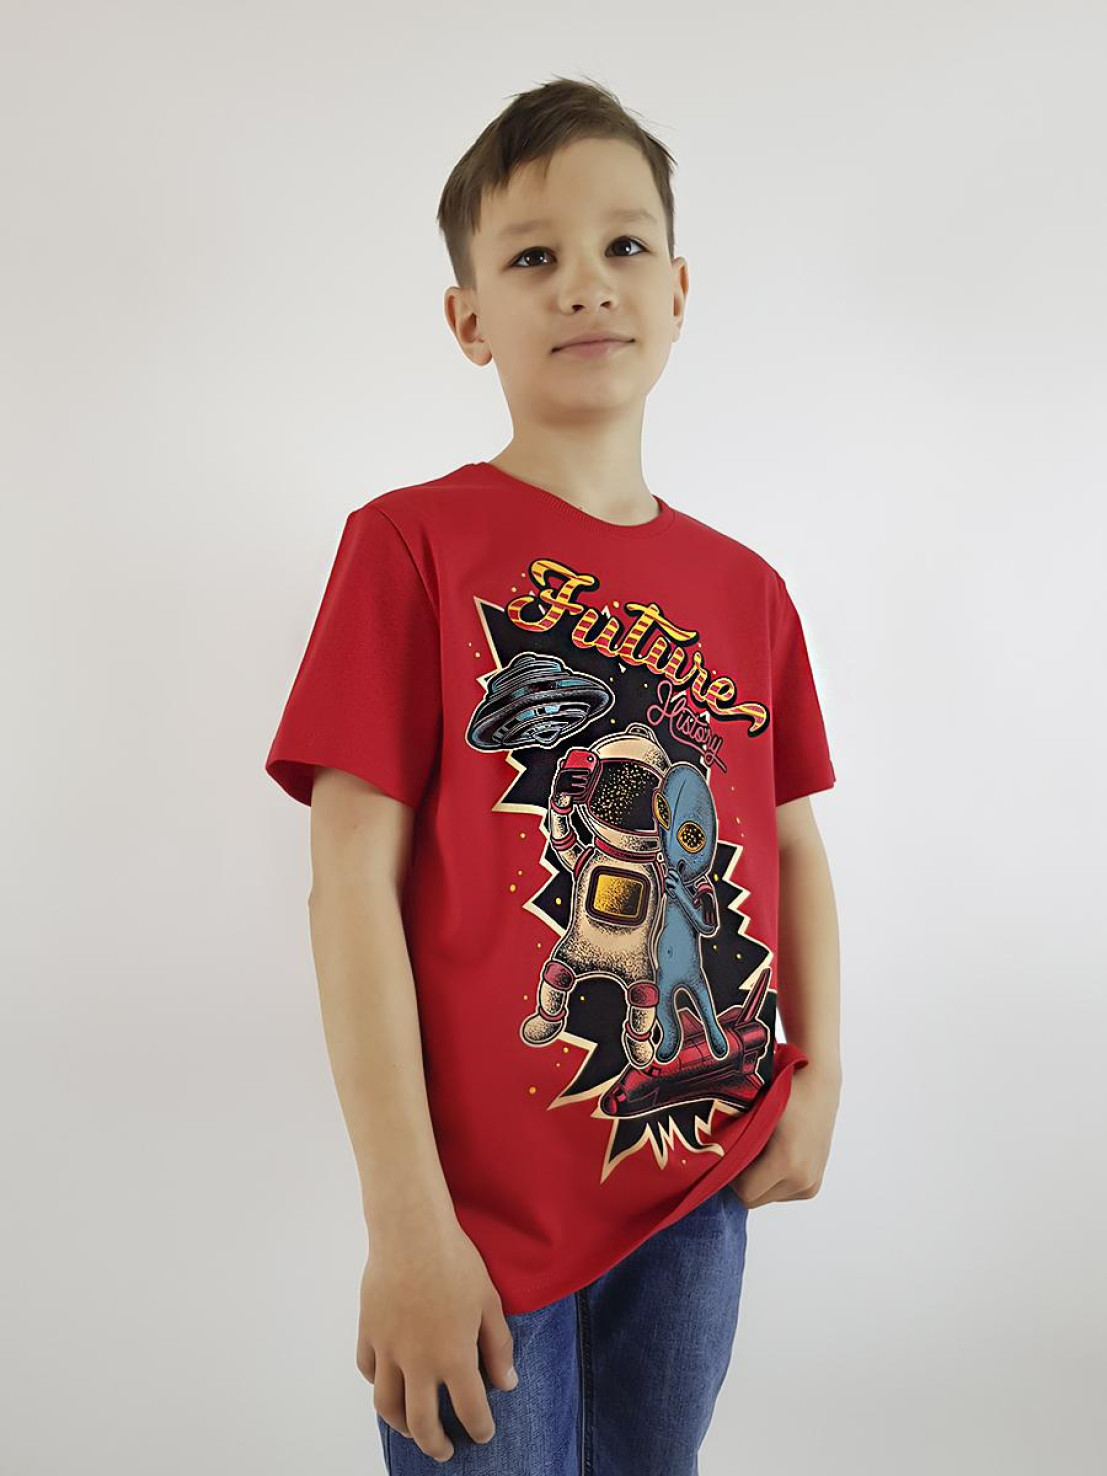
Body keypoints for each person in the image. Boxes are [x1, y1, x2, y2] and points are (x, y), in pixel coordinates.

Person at [265, 75, 842, 1474]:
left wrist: (818, 1076)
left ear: (679, 290)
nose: (586, 282)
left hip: (698, 1177)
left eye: (624, 244)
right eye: (533, 256)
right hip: (478, 1219)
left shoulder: (748, 590)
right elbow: (349, 884)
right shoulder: (411, 547)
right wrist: (405, 1221)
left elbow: (792, 845)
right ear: (469, 318)